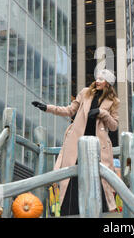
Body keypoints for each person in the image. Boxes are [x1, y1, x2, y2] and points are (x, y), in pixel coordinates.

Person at [32, 69, 120, 215]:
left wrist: (102, 113)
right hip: (77, 143)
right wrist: (47, 108)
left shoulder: (113, 102)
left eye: (101, 79)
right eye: (96, 78)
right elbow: (69, 110)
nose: (97, 81)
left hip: (98, 147)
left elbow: (114, 126)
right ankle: (68, 213)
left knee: (100, 179)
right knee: (72, 177)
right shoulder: (86, 93)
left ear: (108, 84)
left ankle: (102, 214)